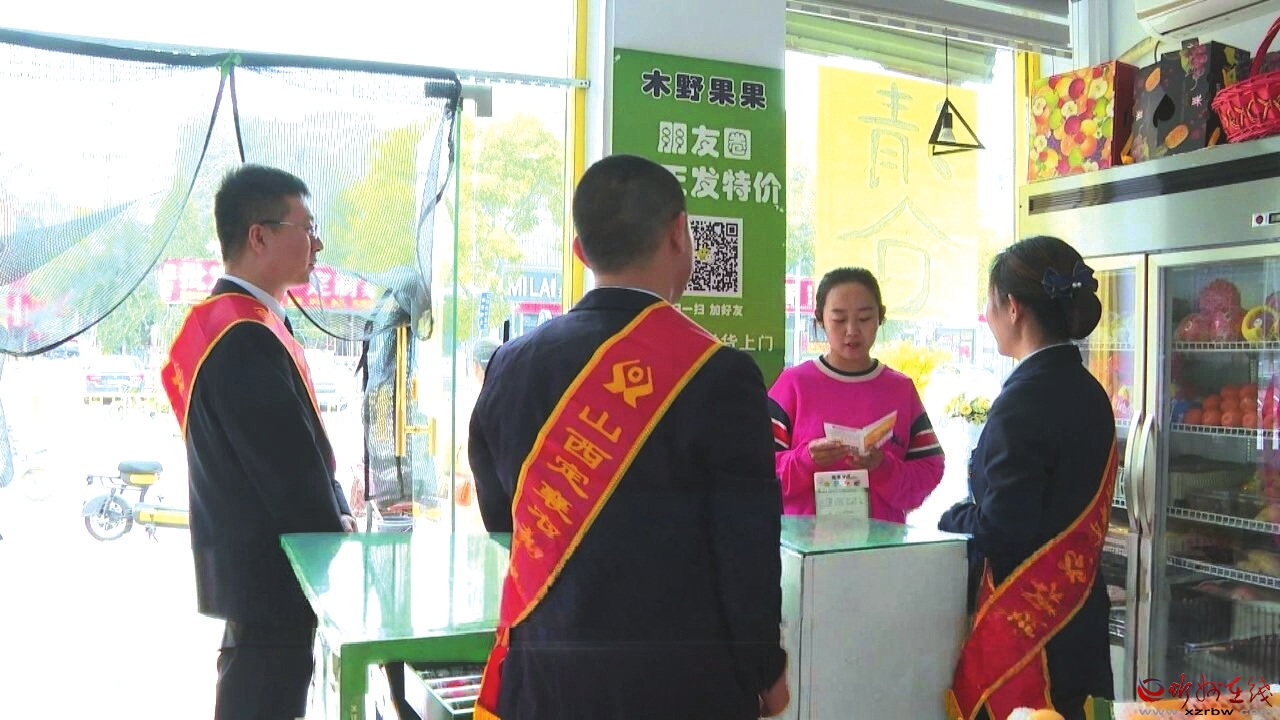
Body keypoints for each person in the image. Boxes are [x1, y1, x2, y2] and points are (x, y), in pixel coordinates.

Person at [468, 154, 789, 720]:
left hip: (544, 680)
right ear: (679, 233)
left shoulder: (511, 363)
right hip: (680, 689)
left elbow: (505, 520)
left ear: (580, 252)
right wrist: (764, 669)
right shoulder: (722, 374)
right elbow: (746, 550)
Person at [161, 164, 357, 720]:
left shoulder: (244, 323)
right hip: (272, 580)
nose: (317, 243)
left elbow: (298, 452)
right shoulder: (242, 336)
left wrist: (336, 508)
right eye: (306, 226)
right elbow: (288, 472)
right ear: (259, 237)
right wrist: (334, 527)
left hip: (259, 584)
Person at [938, 236, 1116, 720]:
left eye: (990, 302)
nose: (987, 314)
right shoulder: (1090, 392)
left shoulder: (1023, 400)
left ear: (1013, 307)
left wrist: (950, 519)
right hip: (1080, 615)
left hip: (1031, 644)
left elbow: (1002, 528)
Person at [768, 267, 944, 522]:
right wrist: (805, 460)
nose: (851, 330)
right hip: (806, 543)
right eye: (839, 320)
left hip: (881, 543)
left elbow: (929, 471)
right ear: (820, 319)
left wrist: (883, 468)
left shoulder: (900, 390)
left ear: (880, 318)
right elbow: (754, 470)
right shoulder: (792, 385)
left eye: (864, 318)